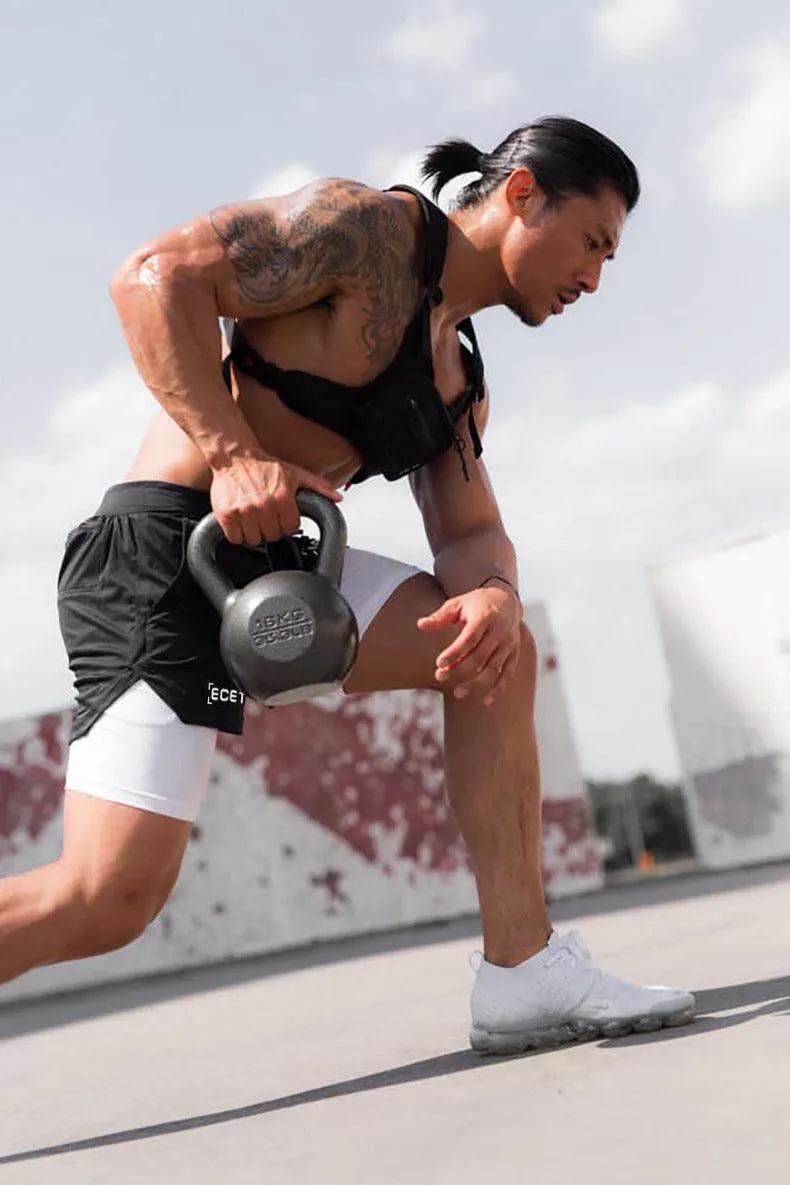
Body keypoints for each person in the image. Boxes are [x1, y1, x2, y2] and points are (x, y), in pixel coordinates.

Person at [2, 116, 694, 1053]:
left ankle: (523, 969)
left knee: (491, 646)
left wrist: (489, 589)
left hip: (285, 570)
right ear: (523, 194)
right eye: (594, 243)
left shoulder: (455, 375)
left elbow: (469, 528)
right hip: (166, 553)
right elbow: (152, 278)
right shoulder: (364, 233)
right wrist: (233, 453)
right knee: (105, 898)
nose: (595, 278)